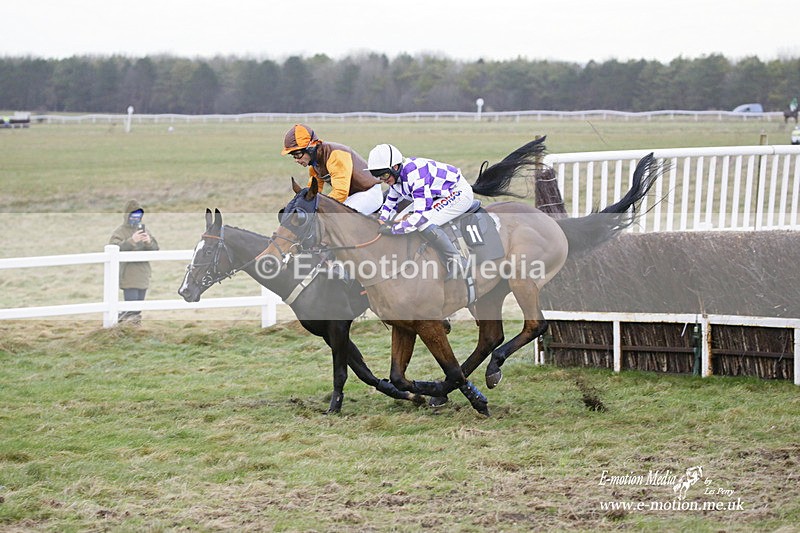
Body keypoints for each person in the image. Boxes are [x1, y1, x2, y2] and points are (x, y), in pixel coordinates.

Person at [366, 143, 473, 280]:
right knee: (400, 218)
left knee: (422, 223)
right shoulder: (396, 177)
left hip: (457, 192)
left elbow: (421, 217)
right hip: (435, 194)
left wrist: (394, 229)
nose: (384, 180)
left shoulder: (415, 174)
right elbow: (389, 204)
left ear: (395, 167)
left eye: (385, 174)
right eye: (379, 177)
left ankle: (457, 260)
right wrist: (380, 221)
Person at [281, 123, 383, 214]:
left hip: (368, 193)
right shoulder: (314, 165)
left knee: (338, 219)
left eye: (298, 154)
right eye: (293, 156)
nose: (296, 160)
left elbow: (341, 192)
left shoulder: (336, 155)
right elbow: (313, 192)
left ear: (310, 148)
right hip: (351, 196)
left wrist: (320, 207)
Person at [108, 200, 159, 324]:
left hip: (143, 274)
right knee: (131, 308)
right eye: (133, 216)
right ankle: (123, 325)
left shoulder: (145, 231)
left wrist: (148, 242)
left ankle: (132, 328)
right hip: (129, 275)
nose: (136, 219)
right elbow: (114, 249)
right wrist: (132, 241)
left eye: (139, 216)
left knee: (137, 309)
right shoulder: (119, 232)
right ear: (127, 216)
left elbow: (155, 249)